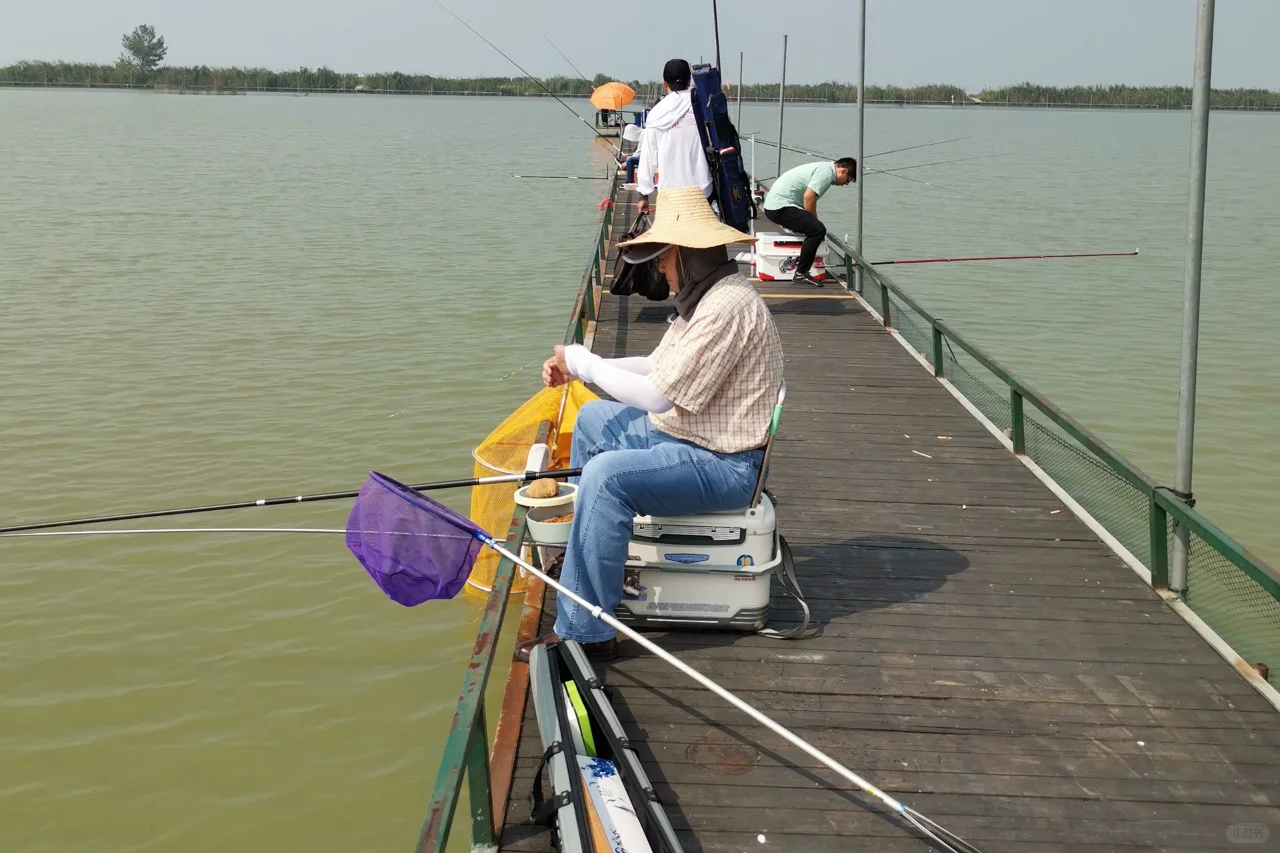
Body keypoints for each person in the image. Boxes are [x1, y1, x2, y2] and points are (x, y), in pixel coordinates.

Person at [516, 186, 784, 662]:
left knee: (606, 476)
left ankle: (586, 631)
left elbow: (657, 394)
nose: (659, 269)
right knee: (595, 419)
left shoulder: (727, 307)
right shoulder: (707, 296)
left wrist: (582, 362)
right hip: (689, 434)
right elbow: (656, 365)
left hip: (723, 463)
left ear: (683, 255)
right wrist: (585, 362)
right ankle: (586, 555)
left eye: (662, 258)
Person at [761, 158, 857, 287]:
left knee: (813, 228)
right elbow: (809, 197)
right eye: (847, 181)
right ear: (844, 171)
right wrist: (814, 223)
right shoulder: (827, 173)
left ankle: (801, 267)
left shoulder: (824, 168)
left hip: (776, 206)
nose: (844, 184)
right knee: (817, 230)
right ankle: (801, 273)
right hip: (780, 207)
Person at [635, 59, 712, 215]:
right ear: (689, 80)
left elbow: (648, 157)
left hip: (670, 196)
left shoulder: (656, 113)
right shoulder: (704, 105)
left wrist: (643, 194)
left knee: (674, 238)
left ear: (664, 83)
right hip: (703, 194)